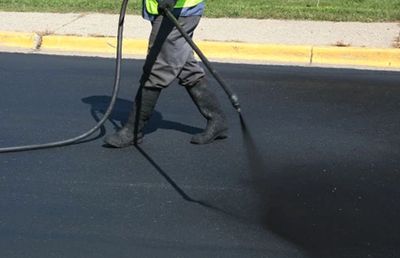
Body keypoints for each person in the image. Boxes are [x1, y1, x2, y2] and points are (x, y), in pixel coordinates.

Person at [104, 0, 228, 147]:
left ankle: (133, 129)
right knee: (186, 66)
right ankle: (217, 120)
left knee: (156, 67)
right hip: (165, 9)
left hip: (178, 9)